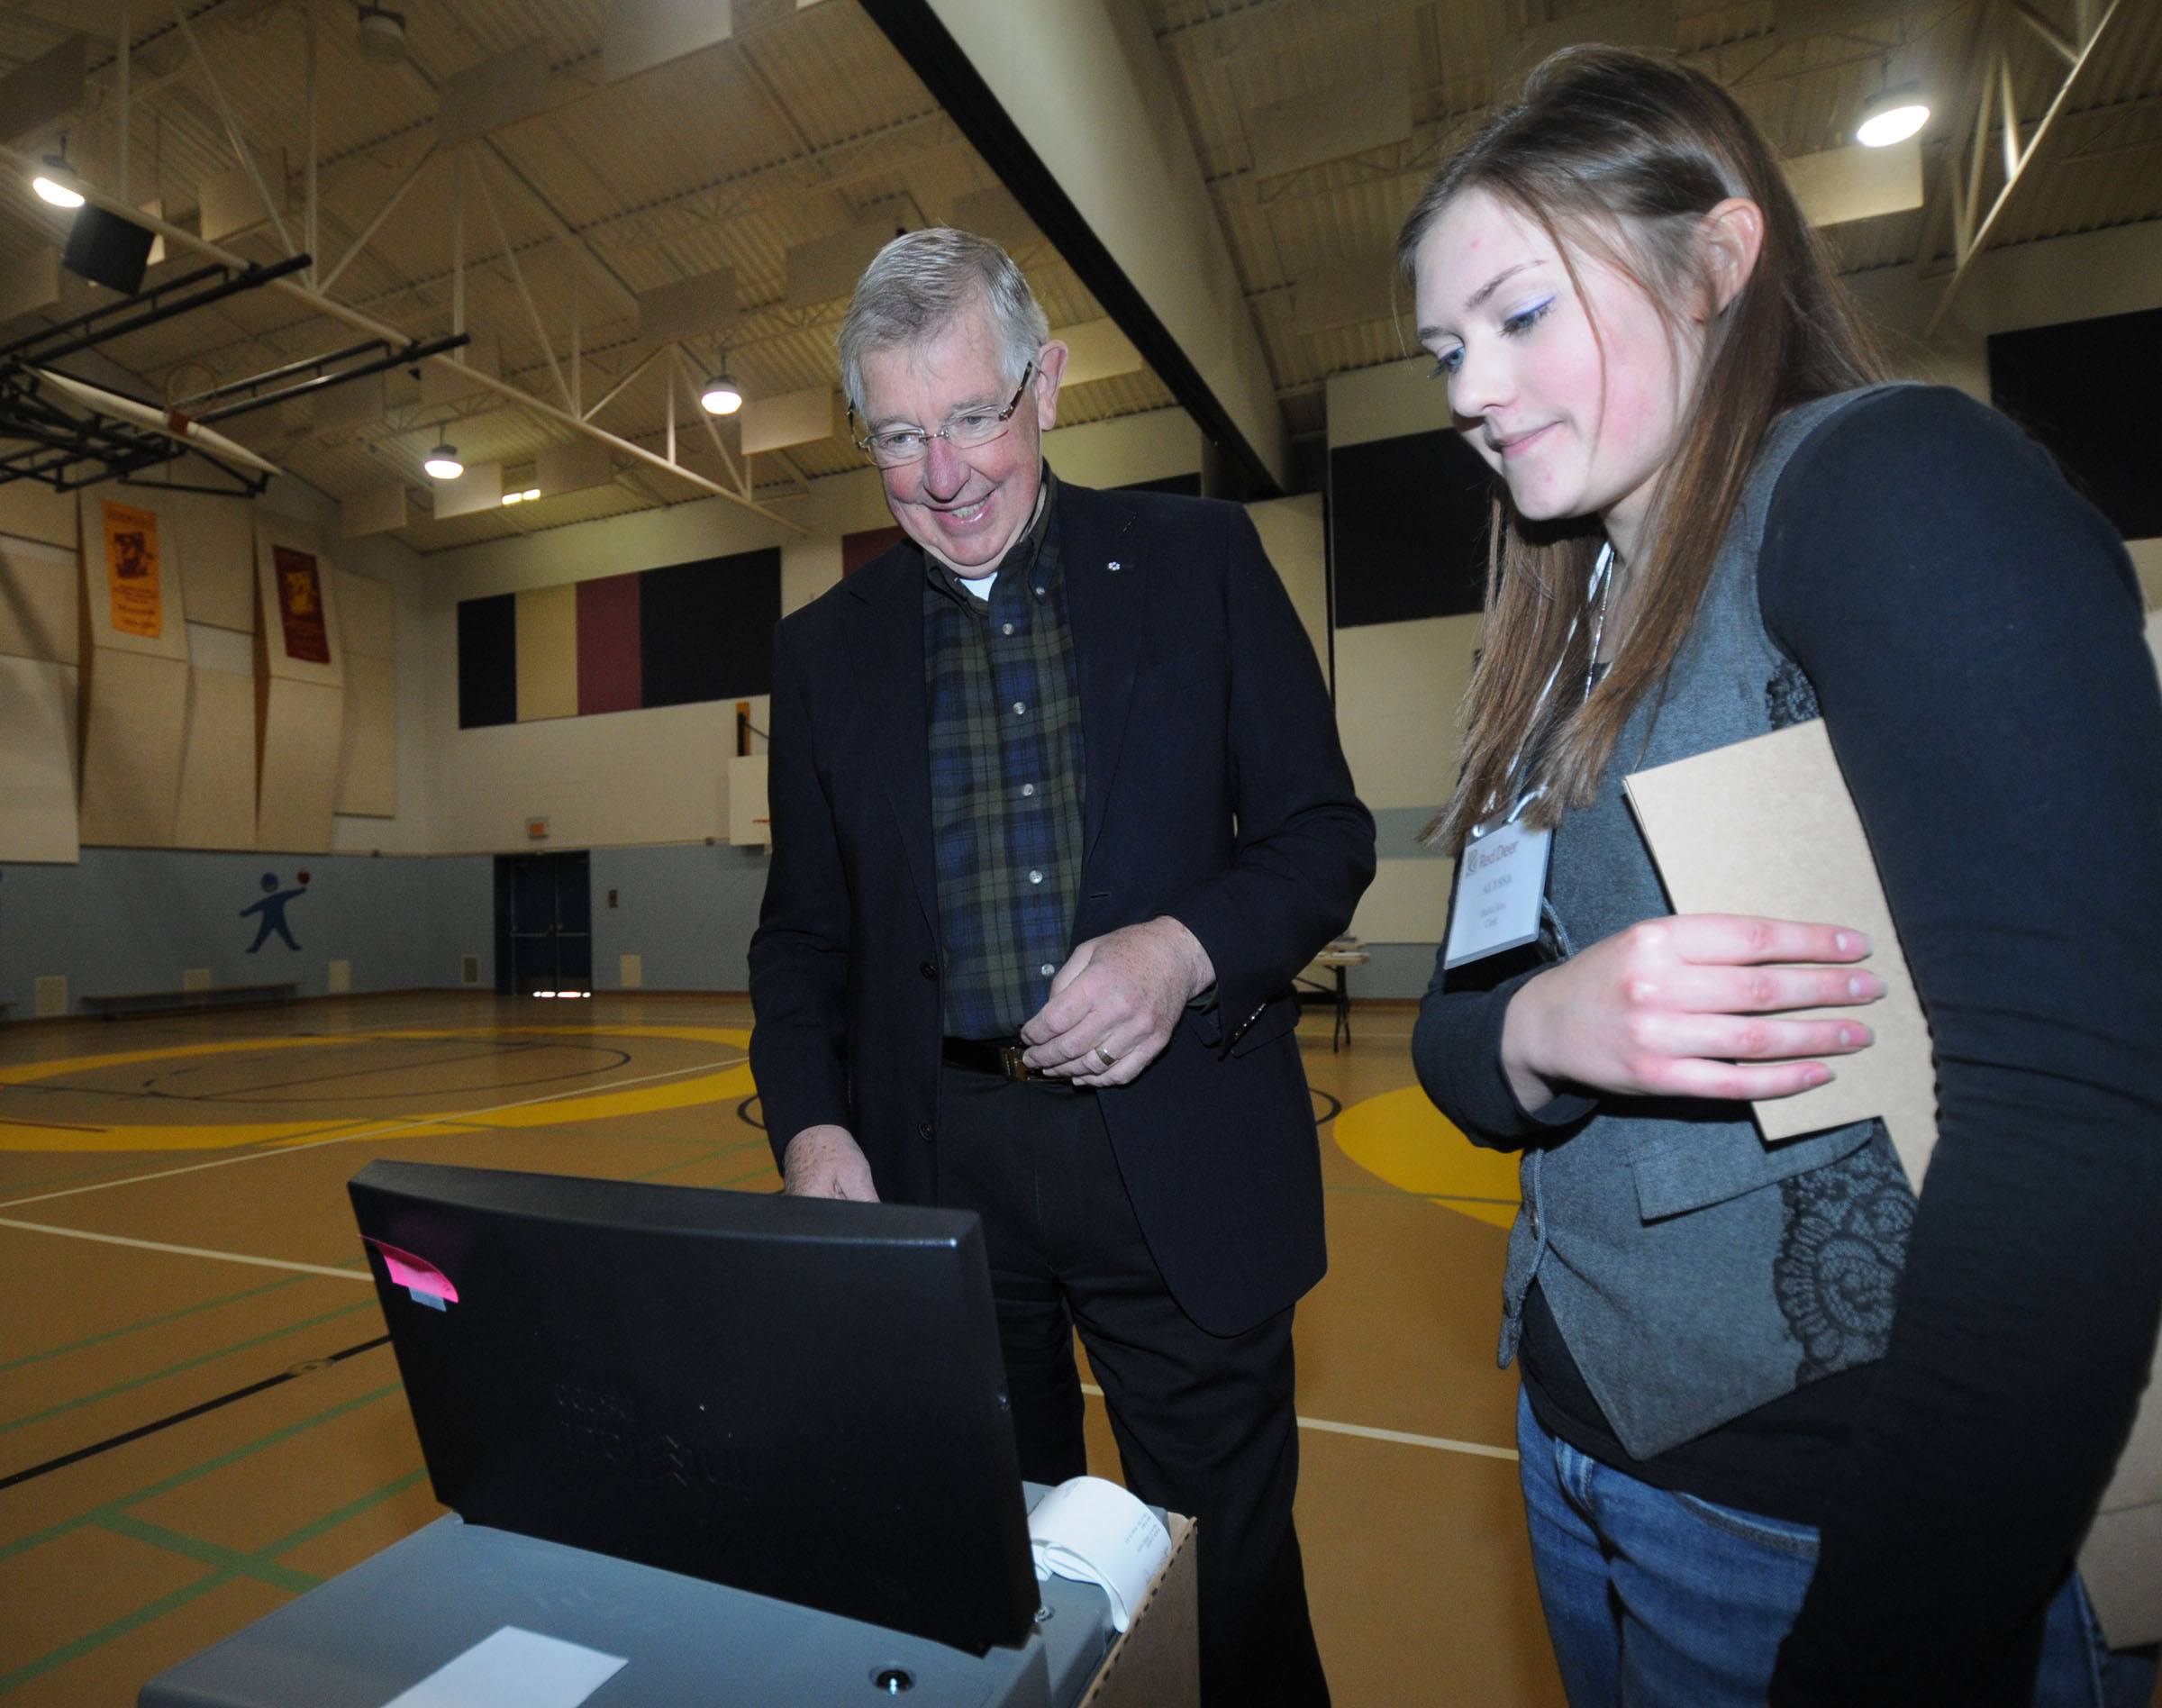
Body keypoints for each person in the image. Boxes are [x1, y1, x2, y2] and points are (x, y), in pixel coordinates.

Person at [1403, 45, 2162, 1708]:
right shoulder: (1557, 632)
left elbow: (2079, 1112)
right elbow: (1452, 1033)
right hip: (1586, 1456)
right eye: (1447, 348)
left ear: (1719, 261)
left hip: (1827, 1525)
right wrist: (1549, 1027)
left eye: (1522, 316)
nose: (1469, 384)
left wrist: (1901, 1637)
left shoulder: (1892, 488)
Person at [748, 228, 1372, 1706]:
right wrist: (811, 1123)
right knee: (987, 1586)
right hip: (938, 1167)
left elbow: (1324, 836)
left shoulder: (1200, 563)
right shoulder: (824, 653)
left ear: (1047, 385)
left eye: (971, 416)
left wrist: (1184, 948)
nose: (943, 473)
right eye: (899, 435)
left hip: (1179, 1150)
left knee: (1222, 1582)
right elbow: (801, 938)